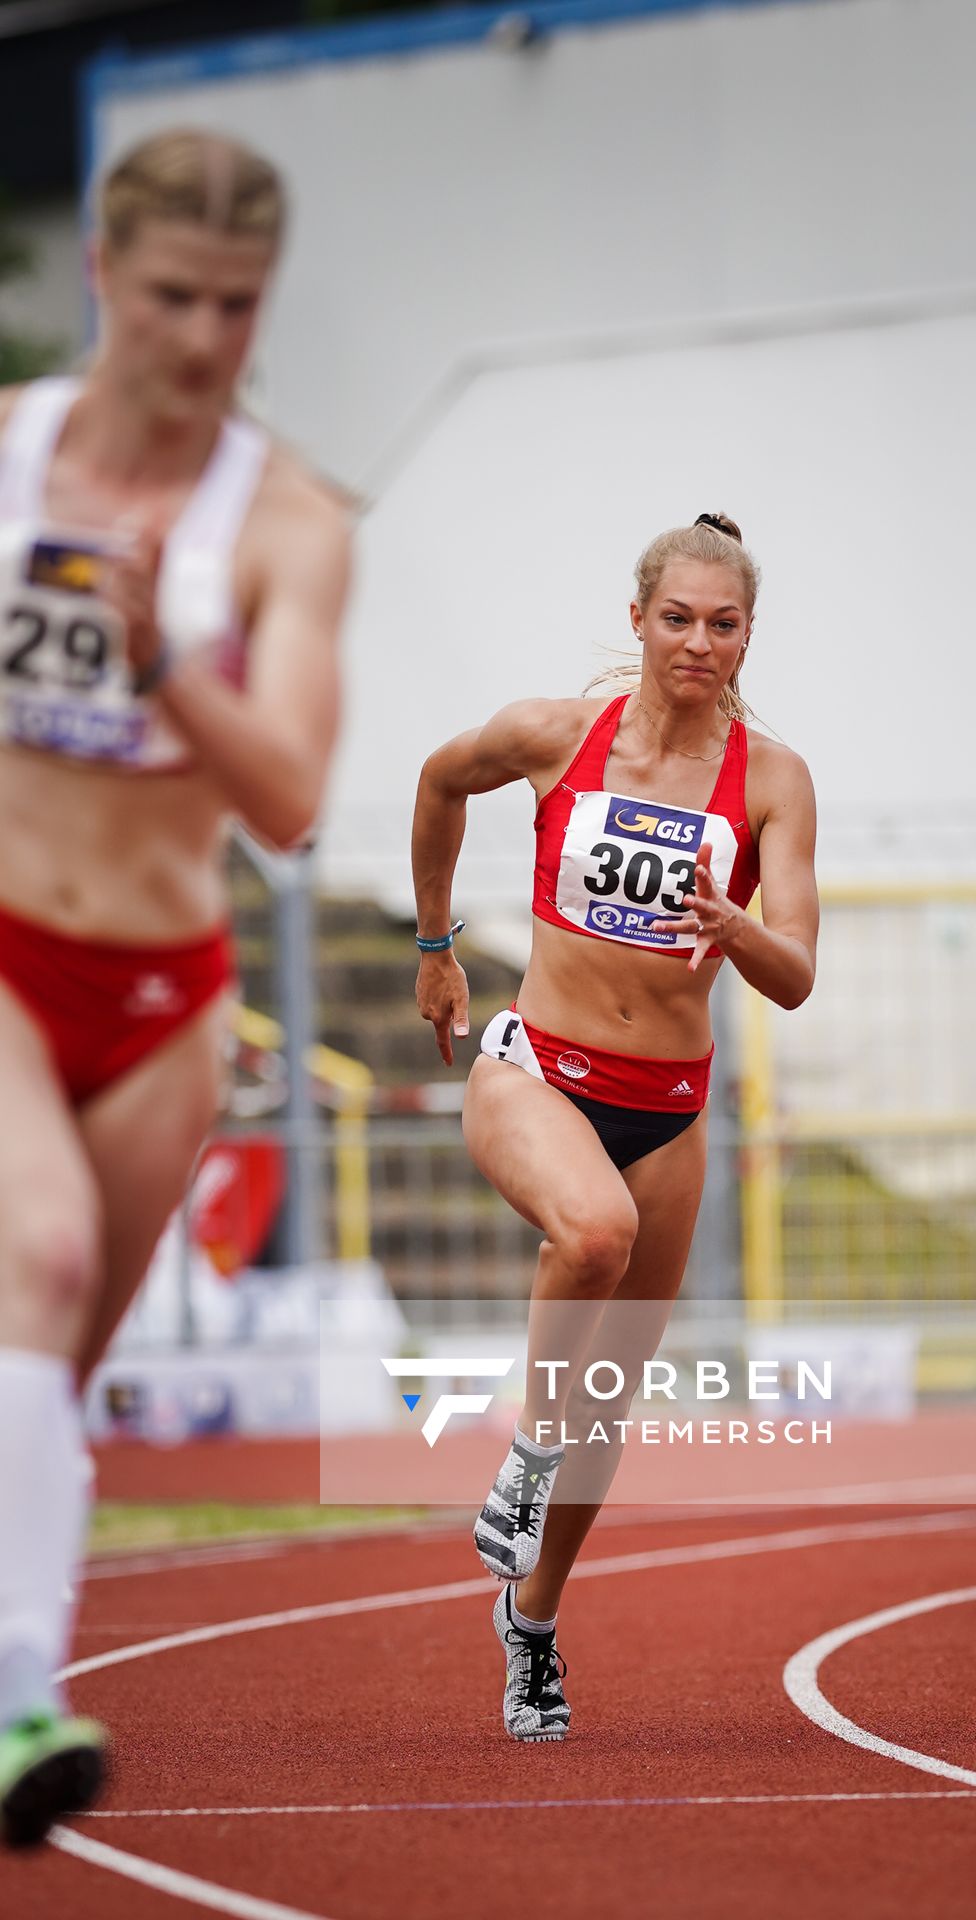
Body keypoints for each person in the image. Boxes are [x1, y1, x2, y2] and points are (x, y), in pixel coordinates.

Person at [0, 130, 350, 1843]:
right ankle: (15, 1714)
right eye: (168, 298)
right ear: (100, 275)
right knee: (37, 1254)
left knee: (46, 1372)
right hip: (1, 936)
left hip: (160, 993)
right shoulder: (3, 460)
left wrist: (156, 661)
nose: (202, 337)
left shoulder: (281, 522)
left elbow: (289, 796)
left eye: (234, 303)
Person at [412, 513, 817, 1740]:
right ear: (638, 618)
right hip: (536, 1071)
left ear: (749, 635)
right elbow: (439, 780)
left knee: (606, 1411)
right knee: (589, 1229)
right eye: (679, 618)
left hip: (669, 1113)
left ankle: (529, 1624)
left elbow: (794, 972)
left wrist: (734, 925)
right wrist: (434, 950)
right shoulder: (556, 736)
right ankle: (520, 1466)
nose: (699, 642)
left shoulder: (772, 779)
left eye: (724, 623)